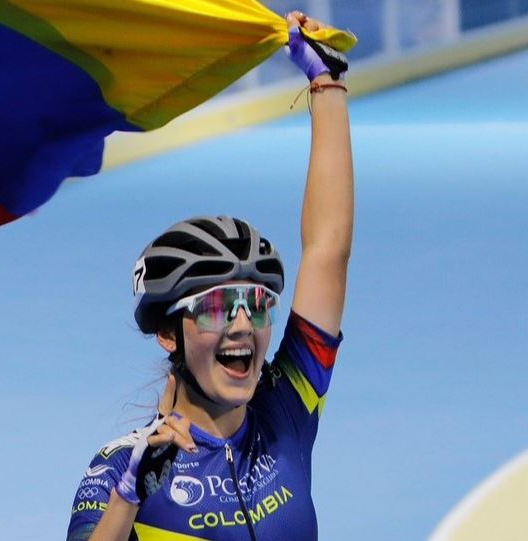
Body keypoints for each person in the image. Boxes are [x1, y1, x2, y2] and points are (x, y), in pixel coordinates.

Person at [66, 12, 352, 541]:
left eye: (257, 303)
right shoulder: (120, 470)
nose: (243, 324)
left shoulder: (286, 410)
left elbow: (327, 250)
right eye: (218, 306)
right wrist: (127, 500)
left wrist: (327, 85)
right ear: (169, 333)